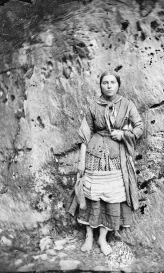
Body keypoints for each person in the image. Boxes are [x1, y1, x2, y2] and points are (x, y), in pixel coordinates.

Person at [68, 71, 144, 255]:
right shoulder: (94, 106)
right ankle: (88, 236)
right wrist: (82, 162)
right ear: (100, 85)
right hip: (94, 156)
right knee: (91, 195)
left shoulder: (127, 105)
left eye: (112, 82)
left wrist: (124, 134)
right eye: (105, 82)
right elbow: (85, 135)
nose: (109, 85)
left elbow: (139, 127)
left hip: (116, 158)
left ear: (118, 85)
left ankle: (102, 239)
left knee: (111, 197)